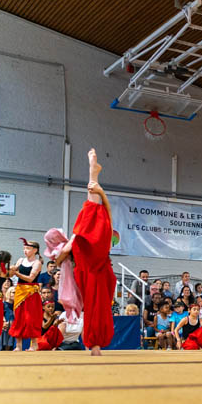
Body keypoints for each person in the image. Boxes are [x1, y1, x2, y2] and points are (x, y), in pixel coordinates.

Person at [50, 151, 119, 356]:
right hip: (88, 266)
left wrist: (100, 190)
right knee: (94, 309)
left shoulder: (96, 231)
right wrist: (63, 253)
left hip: (96, 267)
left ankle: (93, 173)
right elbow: (59, 259)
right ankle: (93, 173)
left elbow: (107, 215)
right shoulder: (80, 237)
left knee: (97, 309)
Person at [8, 238, 44, 351]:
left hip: (31, 292)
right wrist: (8, 269)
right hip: (20, 291)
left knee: (31, 318)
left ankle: (34, 344)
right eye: (24, 248)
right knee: (18, 318)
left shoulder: (37, 263)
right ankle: (18, 345)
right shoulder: (20, 260)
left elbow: (30, 279)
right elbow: (11, 272)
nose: (25, 250)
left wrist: (16, 273)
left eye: (28, 248)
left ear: (35, 250)